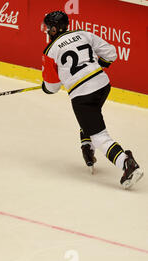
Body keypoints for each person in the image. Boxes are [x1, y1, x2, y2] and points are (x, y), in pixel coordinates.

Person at [41, 11, 143, 189]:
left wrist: (45, 86)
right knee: (91, 116)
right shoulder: (82, 34)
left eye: (49, 28)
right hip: (102, 85)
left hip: (83, 95)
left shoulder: (50, 51)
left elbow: (52, 87)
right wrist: (98, 64)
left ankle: (126, 163)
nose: (47, 31)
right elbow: (111, 53)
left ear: (55, 29)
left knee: (100, 136)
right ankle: (87, 146)